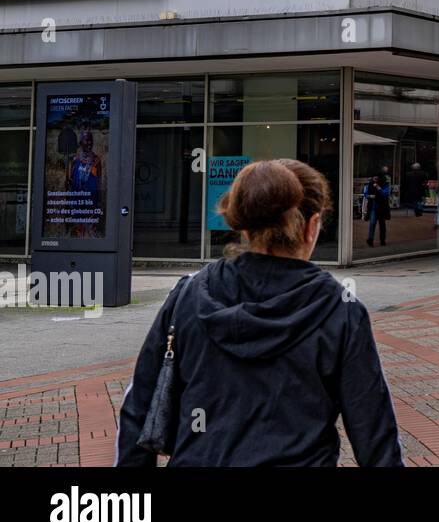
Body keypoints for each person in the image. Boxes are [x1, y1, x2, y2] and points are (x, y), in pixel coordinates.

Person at [116, 159, 403, 466]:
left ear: (242, 224)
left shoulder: (188, 295)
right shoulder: (340, 310)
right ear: (311, 226)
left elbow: (140, 408)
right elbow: (375, 437)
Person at [362, 174, 390, 247]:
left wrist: (378, 187)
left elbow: (385, 194)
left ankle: (382, 240)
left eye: (376, 179)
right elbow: (365, 194)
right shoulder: (370, 185)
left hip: (382, 207)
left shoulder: (385, 185)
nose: (375, 181)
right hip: (373, 207)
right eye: (374, 179)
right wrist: (369, 196)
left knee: (382, 225)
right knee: (372, 223)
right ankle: (370, 239)